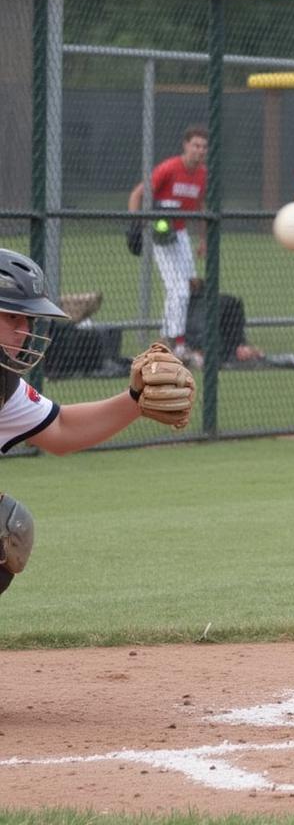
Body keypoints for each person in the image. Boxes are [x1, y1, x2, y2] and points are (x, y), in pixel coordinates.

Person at [0, 247, 193, 596]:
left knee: (10, 527)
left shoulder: (3, 386)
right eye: (13, 317)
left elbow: (61, 430)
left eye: (27, 320)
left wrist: (136, 401)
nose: (24, 330)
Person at [128, 124, 208, 364]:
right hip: (160, 234)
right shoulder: (169, 168)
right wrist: (135, 224)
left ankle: (165, 338)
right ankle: (178, 344)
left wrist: (203, 238)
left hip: (181, 235)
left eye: (203, 147)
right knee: (178, 290)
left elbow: (201, 207)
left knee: (189, 286)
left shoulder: (203, 174)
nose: (199, 150)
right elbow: (137, 194)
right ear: (185, 146)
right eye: (195, 145)